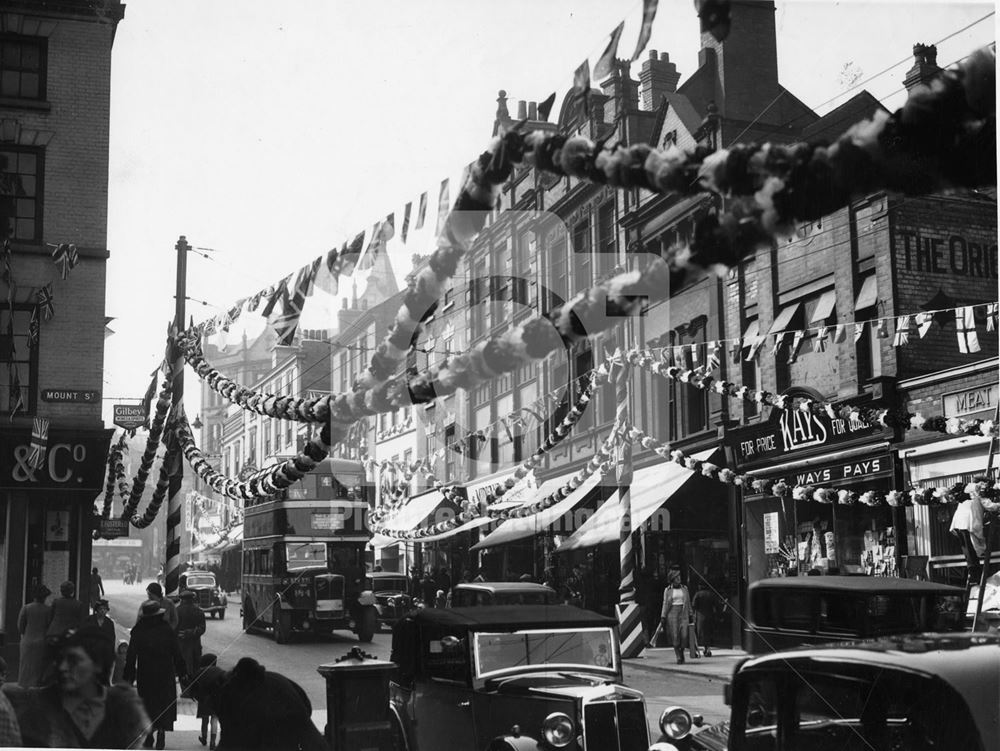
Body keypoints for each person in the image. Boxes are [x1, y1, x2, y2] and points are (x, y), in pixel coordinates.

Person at [4, 624, 150, 748]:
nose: (63, 667)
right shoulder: (35, 708)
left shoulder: (124, 710)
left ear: (98, 664)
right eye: (60, 659)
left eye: (73, 660)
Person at [215, 657, 326, 751]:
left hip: (282, 731)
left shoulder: (237, 692)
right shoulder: (276, 678)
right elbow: (306, 703)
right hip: (299, 729)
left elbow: (230, 737)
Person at [124, 600, 188, 749]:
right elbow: (177, 653)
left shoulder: (138, 631)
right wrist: (182, 671)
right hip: (165, 674)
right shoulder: (166, 630)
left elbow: (131, 655)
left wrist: (129, 675)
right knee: (163, 703)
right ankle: (161, 732)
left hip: (145, 674)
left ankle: (149, 734)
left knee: (148, 703)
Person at [17, 585, 52, 687]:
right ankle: (36, 686)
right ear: (45, 597)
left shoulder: (26, 608)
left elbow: (20, 626)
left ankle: (24, 687)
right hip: (42, 642)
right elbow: (49, 626)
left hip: (27, 641)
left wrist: (25, 634)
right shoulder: (48, 610)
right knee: (39, 668)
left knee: (25, 666)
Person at [191, 653, 226, 750]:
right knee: (214, 720)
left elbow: (194, 685)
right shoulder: (220, 672)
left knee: (205, 720)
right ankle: (213, 742)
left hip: (204, 700)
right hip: (216, 699)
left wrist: (193, 695)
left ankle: (204, 737)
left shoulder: (200, 672)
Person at [660, 567, 693, 664]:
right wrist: (663, 616)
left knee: (684, 635)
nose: (679, 578)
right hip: (672, 613)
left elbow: (688, 602)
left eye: (679, 576)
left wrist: (691, 614)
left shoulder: (685, 588)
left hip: (684, 613)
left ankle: (681, 651)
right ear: (672, 579)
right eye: (677, 577)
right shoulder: (667, 590)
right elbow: (665, 603)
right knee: (675, 635)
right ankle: (678, 655)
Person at [176, 590, 207, 691]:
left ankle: (185, 690)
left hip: (182, 645)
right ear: (192, 599)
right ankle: (194, 690)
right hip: (195, 644)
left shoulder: (177, 611)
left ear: (182, 599)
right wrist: (191, 633)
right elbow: (202, 628)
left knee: (183, 667)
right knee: (195, 667)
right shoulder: (199, 611)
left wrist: (181, 634)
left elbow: (173, 628)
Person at [82, 600, 117, 676]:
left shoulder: (109, 623)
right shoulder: (89, 620)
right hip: (90, 653)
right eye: (100, 609)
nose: (102, 611)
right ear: (97, 609)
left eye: (104, 609)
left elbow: (112, 639)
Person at [691, 582, 720, 657]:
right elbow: (717, 605)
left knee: (702, 633)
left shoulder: (697, 594)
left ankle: (706, 649)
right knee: (709, 632)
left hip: (700, 616)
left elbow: (694, 605)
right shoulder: (711, 594)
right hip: (710, 616)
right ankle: (708, 649)